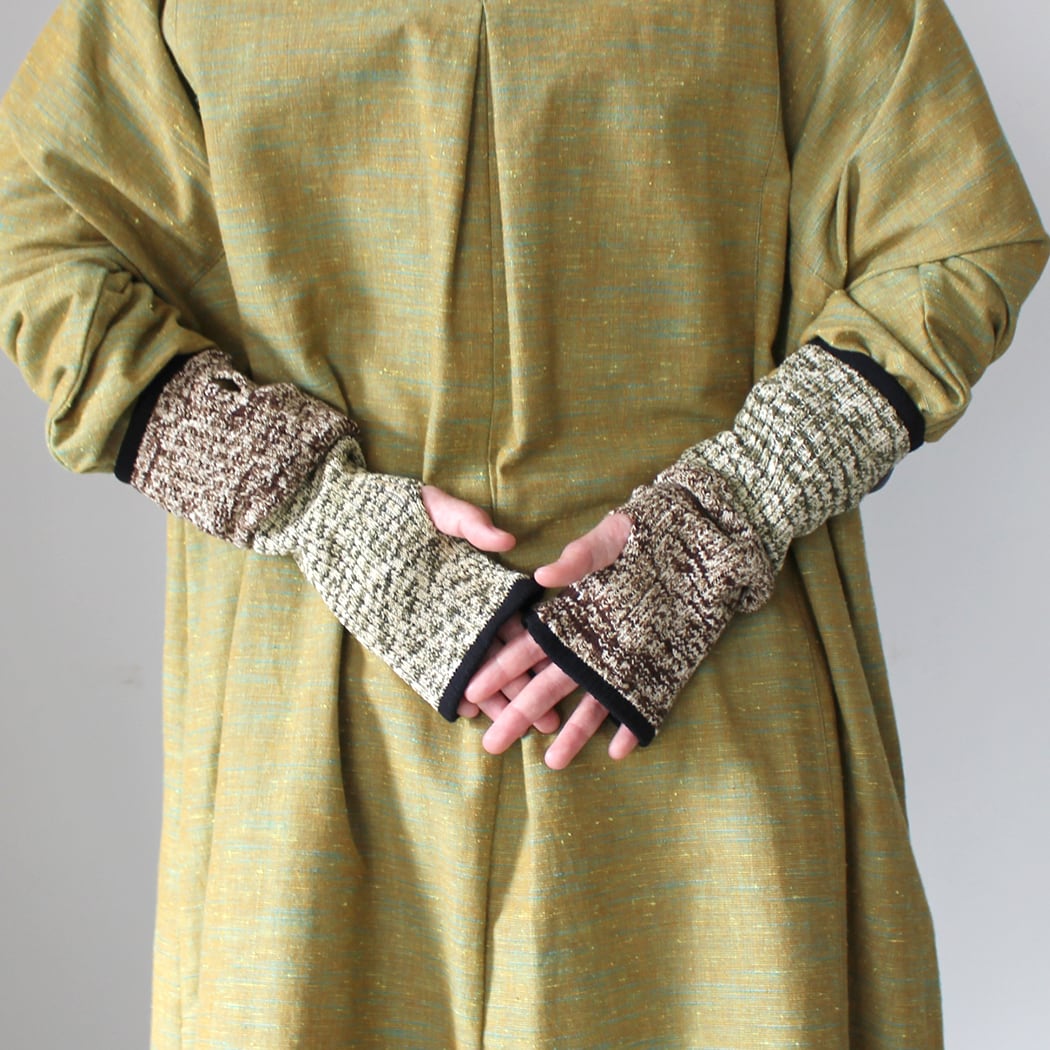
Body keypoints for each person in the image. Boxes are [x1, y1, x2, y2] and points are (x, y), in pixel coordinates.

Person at [1, 0, 1045, 1047]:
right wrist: (311, 501)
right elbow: (38, 238)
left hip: (695, 695)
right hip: (339, 716)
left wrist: (718, 521)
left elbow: (954, 239)